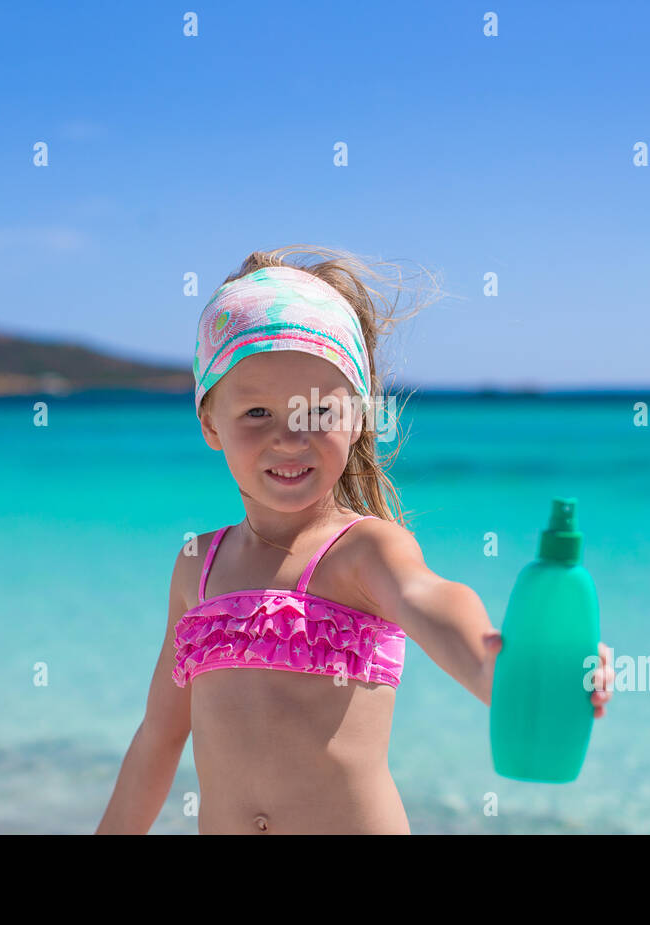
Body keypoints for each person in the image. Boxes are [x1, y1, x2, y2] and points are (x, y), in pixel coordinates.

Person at [96, 246, 614, 834]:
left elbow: (429, 599)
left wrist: (503, 669)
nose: (290, 439)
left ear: (359, 416)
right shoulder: (197, 566)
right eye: (258, 413)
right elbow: (159, 740)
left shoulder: (363, 551)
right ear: (211, 423)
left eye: (318, 412)